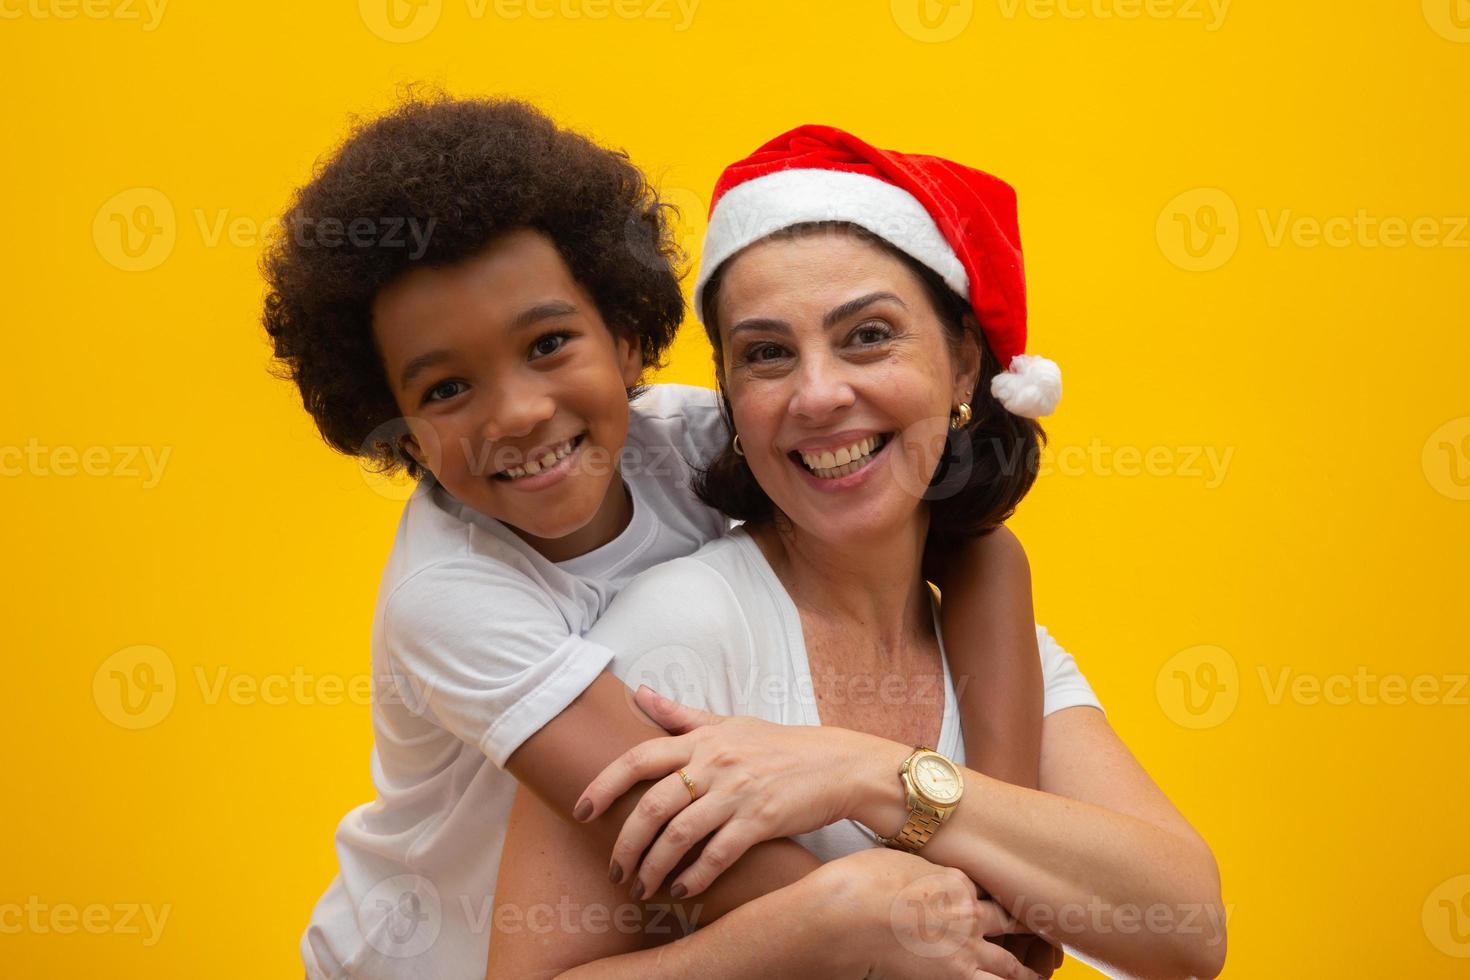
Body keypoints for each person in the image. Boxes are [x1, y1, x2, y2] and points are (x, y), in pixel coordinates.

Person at [262, 98, 1052, 978]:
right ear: (398, 431)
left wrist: (998, 846)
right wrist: (932, 924)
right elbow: (677, 824)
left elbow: (977, 547)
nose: (519, 412)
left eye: (550, 343)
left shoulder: (694, 443)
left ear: (632, 341)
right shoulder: (449, 598)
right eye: (446, 390)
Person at [486, 126, 1225, 979]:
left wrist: (864, 774)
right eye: (766, 355)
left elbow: (1188, 929)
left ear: (961, 367)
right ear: (731, 395)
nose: (819, 393)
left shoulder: (993, 648)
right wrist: (819, 925)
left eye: (869, 335)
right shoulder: (685, 628)